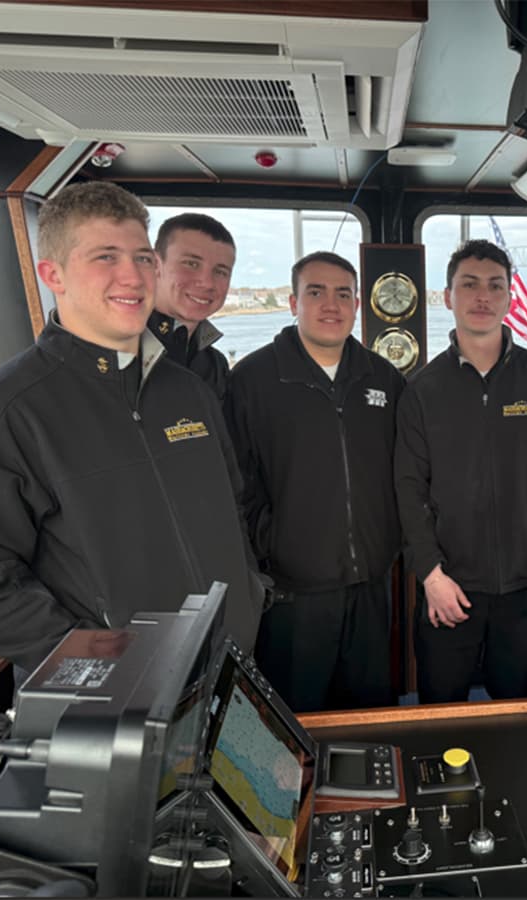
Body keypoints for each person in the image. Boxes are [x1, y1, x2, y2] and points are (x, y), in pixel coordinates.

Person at [0, 181, 262, 677]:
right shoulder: (6, 409)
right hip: (108, 691)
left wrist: (249, 597)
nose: (132, 276)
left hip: (224, 664)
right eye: (105, 257)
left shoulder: (189, 391)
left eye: (143, 258)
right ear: (53, 274)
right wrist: (88, 657)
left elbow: (231, 508)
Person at [395, 239, 527, 703]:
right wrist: (430, 575)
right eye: (469, 284)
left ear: (509, 297)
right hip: (449, 588)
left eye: (494, 286)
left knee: (516, 706)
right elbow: (408, 488)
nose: (482, 296)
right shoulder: (421, 389)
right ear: (447, 297)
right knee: (440, 708)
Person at [224, 251, 403, 712]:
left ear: (358, 304)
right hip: (292, 592)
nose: (331, 305)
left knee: (370, 713)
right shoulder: (252, 380)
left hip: (371, 583)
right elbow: (235, 483)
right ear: (292, 302)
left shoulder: (383, 377)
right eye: (316, 292)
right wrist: (274, 544)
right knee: (296, 717)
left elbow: (405, 471)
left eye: (343, 294)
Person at [149, 212, 235, 398]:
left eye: (220, 271)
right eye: (191, 264)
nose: (207, 283)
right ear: (155, 264)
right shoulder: (115, 350)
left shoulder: (215, 365)